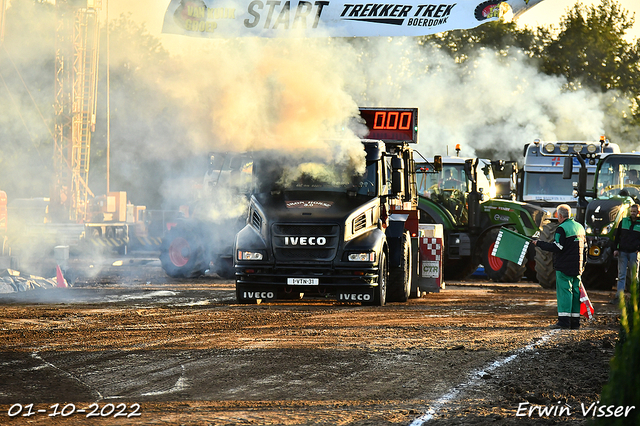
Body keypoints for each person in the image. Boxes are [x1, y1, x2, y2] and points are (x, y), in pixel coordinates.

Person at [532, 204, 586, 329]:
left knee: (565, 292)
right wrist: (583, 265)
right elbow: (586, 249)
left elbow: (557, 247)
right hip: (578, 266)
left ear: (560, 216)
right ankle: (575, 322)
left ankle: (564, 321)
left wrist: (539, 243)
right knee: (576, 292)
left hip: (564, 267)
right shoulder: (580, 227)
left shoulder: (561, 228)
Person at [612, 204, 640, 304]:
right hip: (622, 252)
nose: (633, 213)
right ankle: (619, 297)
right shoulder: (623, 221)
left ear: (638, 212)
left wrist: (638, 249)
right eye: (631, 211)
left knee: (634, 276)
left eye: (634, 212)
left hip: (634, 253)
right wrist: (615, 249)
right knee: (621, 275)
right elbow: (617, 236)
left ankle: (635, 297)